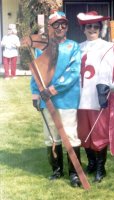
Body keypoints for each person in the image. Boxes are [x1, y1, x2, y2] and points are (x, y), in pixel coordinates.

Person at [30, 11, 82, 187]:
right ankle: (57, 170)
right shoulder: (41, 48)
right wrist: (35, 94)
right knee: (51, 136)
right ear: (51, 28)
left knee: (70, 135)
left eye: (64, 24)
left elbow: (73, 72)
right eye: (56, 25)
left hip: (67, 98)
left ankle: (74, 174)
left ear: (67, 27)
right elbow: (35, 73)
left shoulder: (74, 47)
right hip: (46, 100)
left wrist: (53, 89)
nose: (60, 28)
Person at [76, 11, 114, 183]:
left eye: (96, 26)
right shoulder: (78, 48)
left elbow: (108, 70)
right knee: (84, 132)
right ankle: (92, 163)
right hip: (80, 97)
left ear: (100, 28)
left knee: (99, 132)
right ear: (84, 29)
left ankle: (101, 168)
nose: (92, 29)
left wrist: (103, 91)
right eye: (89, 26)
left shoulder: (107, 46)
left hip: (97, 96)